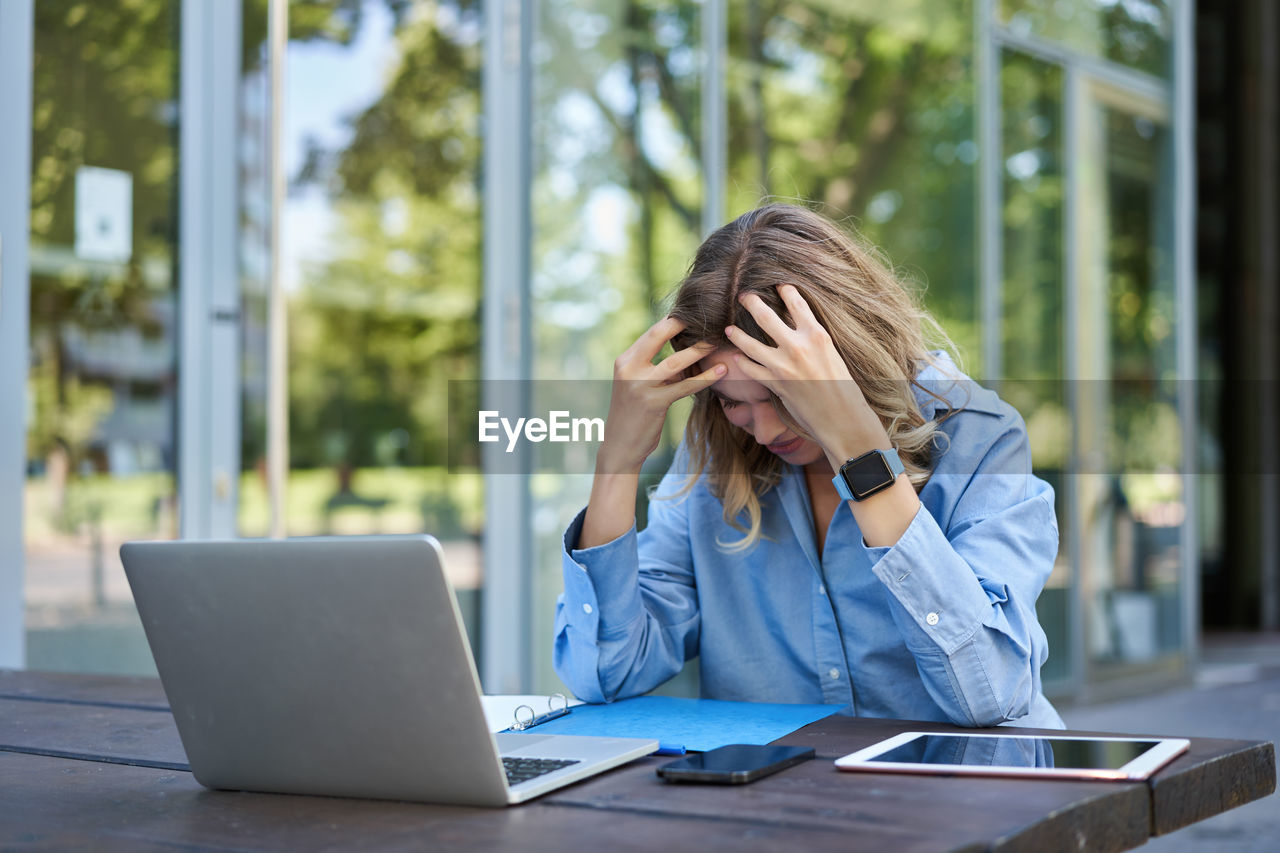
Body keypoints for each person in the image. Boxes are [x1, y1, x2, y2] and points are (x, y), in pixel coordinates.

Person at [553, 203, 1064, 728]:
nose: (766, 430)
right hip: (782, 800)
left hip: (962, 797)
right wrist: (617, 460)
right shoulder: (714, 457)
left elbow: (991, 692)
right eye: (734, 402)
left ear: (851, 363)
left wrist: (859, 452)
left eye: (784, 398)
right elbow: (606, 673)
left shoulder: (980, 437)